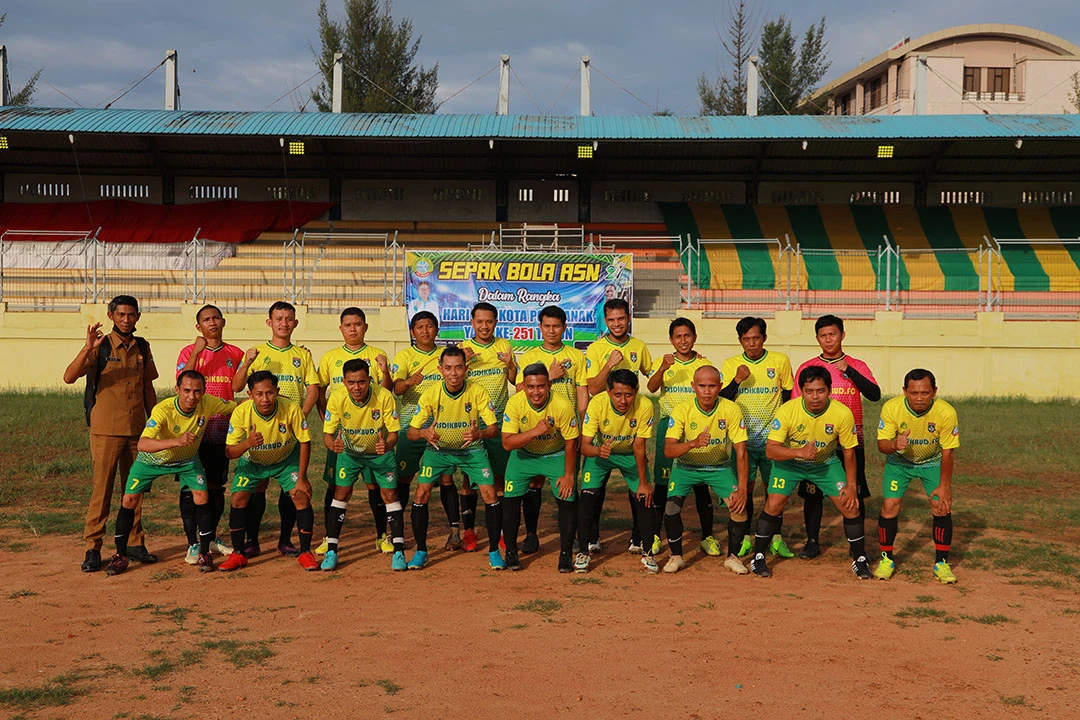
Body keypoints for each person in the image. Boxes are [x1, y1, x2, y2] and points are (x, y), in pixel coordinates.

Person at [104, 371, 237, 575]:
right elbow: (143, 444)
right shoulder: (163, 410)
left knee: (202, 496)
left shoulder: (208, 403)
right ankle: (120, 556)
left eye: (197, 391)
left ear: (204, 391)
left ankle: (204, 553)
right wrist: (177, 442)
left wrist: (263, 399)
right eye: (186, 391)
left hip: (187, 460)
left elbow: (236, 406)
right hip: (152, 460)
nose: (192, 396)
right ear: (177, 390)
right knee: (129, 500)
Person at [63, 295, 159, 573]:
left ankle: (134, 542)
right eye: (121, 315)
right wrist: (87, 349)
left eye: (131, 315)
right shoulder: (100, 345)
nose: (126, 320)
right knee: (102, 490)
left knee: (135, 489)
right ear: (111, 316)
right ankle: (93, 547)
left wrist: (156, 423)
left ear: (138, 316)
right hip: (106, 431)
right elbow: (69, 377)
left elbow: (148, 387)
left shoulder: (143, 346)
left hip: (137, 431)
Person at [751, 366, 871, 579]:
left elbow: (849, 453)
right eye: (809, 391)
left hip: (825, 464)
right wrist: (799, 452)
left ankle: (860, 560)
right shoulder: (787, 411)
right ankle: (758, 557)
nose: (815, 397)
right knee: (773, 504)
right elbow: (771, 450)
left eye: (820, 391)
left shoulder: (842, 413)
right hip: (790, 464)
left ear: (829, 390)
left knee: (850, 506)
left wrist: (852, 486)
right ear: (801, 391)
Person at [232, 301, 319, 558]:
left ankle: (285, 540)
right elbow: (237, 387)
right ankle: (252, 540)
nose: (284, 323)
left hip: (289, 430)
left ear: (295, 323)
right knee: (258, 487)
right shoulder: (257, 352)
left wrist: (300, 416)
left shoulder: (302, 355)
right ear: (269, 322)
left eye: (288, 319)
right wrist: (246, 364)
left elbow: (312, 388)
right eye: (279, 318)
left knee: (290, 488)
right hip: (261, 429)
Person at [405, 347, 503, 570]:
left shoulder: (477, 391)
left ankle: (494, 551)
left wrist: (480, 434)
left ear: (466, 369)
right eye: (448, 368)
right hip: (438, 451)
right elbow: (411, 433)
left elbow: (493, 429)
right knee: (421, 493)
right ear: (440, 369)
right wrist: (424, 433)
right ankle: (421, 551)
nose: (453, 373)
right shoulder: (431, 393)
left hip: (472, 450)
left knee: (490, 493)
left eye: (458, 368)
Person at [792, 315, 880, 560]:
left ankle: (856, 546)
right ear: (817, 338)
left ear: (842, 335)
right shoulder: (808, 368)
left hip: (851, 440)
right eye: (823, 335)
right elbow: (796, 404)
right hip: (816, 442)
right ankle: (812, 542)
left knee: (855, 492)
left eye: (832, 334)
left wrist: (848, 371)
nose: (828, 339)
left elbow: (874, 394)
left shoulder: (857, 364)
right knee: (813, 493)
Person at [314, 307, 393, 557]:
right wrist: (327, 421)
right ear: (341, 328)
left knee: (374, 486)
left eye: (357, 324)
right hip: (342, 434)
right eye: (348, 325)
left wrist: (385, 372)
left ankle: (382, 535)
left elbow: (386, 391)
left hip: (371, 433)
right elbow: (320, 390)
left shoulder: (377, 354)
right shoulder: (330, 357)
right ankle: (329, 536)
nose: (353, 329)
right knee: (336, 486)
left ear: (365, 327)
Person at [219, 371, 316, 572]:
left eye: (270, 393)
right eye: (259, 394)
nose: (265, 399)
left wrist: (302, 478)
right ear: (250, 394)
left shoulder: (291, 408)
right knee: (238, 498)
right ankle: (238, 554)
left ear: (277, 391)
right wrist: (247, 443)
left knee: (300, 495)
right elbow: (229, 452)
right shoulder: (241, 412)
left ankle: (306, 553)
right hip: (252, 462)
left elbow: (305, 442)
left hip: (285, 460)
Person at [514, 305, 588, 555]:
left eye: (556, 326)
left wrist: (581, 423)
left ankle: (571, 535)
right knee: (534, 482)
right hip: (536, 429)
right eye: (547, 326)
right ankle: (531, 534)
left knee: (568, 482)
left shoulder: (576, 356)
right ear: (540, 327)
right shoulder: (529, 357)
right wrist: (550, 376)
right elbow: (520, 391)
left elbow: (581, 390)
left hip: (566, 431)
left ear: (564, 327)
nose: (551, 330)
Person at [718, 317, 795, 559]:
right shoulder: (731, 364)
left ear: (764, 338)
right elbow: (722, 400)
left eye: (756, 338)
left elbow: (788, 397)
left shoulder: (779, 361)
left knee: (775, 491)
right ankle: (744, 539)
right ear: (740, 341)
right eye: (746, 339)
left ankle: (776, 538)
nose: (751, 343)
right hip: (743, 442)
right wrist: (736, 380)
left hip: (773, 443)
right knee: (745, 490)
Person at [662, 366, 750, 575]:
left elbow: (741, 451)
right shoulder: (682, 410)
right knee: (671, 509)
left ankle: (733, 557)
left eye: (712, 386)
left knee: (739, 509)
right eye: (702, 386)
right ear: (693, 386)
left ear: (720, 386)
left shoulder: (730, 408)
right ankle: (676, 556)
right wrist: (693, 443)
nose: (707, 391)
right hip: (685, 467)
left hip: (719, 467)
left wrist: (742, 488)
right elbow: (668, 450)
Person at [874, 369, 959, 584]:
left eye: (925, 393)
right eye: (914, 393)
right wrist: (894, 444)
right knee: (889, 506)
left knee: (941, 505)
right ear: (905, 391)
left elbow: (948, 452)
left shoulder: (946, 412)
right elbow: (882, 445)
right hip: (899, 462)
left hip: (932, 462)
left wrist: (944, 487)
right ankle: (886, 559)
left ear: (934, 392)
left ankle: (941, 563)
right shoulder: (892, 408)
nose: (919, 398)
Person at [175, 304, 245, 564]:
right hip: (193, 431)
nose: (212, 322)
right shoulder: (188, 352)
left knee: (216, 487)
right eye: (206, 319)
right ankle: (192, 543)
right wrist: (197, 351)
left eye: (216, 318)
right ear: (199, 326)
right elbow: (183, 379)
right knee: (190, 487)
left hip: (221, 429)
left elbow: (241, 383)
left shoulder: (235, 353)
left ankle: (211, 537)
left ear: (223, 322)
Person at [321, 359, 405, 572]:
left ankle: (399, 551)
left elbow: (394, 433)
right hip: (350, 455)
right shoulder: (337, 398)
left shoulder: (384, 396)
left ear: (369, 380)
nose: (356, 387)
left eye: (361, 382)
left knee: (390, 495)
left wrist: (387, 445)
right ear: (343, 381)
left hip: (380, 455)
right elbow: (327, 436)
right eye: (351, 382)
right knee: (341, 493)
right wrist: (333, 445)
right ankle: (331, 551)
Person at [584, 298, 653, 553]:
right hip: (604, 428)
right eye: (611, 320)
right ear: (605, 321)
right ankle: (592, 537)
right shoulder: (596, 349)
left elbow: (653, 377)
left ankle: (637, 538)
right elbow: (593, 388)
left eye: (621, 318)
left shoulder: (639, 346)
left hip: (631, 422)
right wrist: (609, 364)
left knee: (637, 488)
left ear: (629, 318)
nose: (616, 324)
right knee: (595, 489)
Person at [646, 317, 717, 558]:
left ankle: (707, 536)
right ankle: (656, 535)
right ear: (671, 340)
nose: (683, 340)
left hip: (697, 426)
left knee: (700, 483)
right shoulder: (663, 362)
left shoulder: (704, 363)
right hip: (669, 427)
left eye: (687, 335)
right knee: (663, 483)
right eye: (678, 336)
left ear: (694, 337)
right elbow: (652, 387)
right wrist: (663, 368)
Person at [576, 369, 656, 574]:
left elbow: (639, 446)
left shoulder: (645, 405)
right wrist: (598, 450)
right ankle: (583, 551)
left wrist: (644, 483)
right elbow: (584, 446)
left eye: (628, 394)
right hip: (601, 454)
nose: (623, 400)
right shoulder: (597, 403)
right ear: (608, 391)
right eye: (618, 394)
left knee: (645, 497)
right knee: (587, 497)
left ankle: (648, 553)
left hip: (630, 454)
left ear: (636, 391)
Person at [501, 363, 580, 572]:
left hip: (555, 454)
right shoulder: (515, 403)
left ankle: (565, 554)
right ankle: (511, 552)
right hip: (524, 455)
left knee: (567, 496)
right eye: (531, 387)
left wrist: (569, 475)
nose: (536, 392)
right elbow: (507, 443)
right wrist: (534, 432)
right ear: (524, 386)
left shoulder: (562, 405)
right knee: (510, 500)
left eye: (541, 386)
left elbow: (571, 442)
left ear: (549, 385)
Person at [455, 302, 516, 552]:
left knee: (499, 479)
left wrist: (511, 365)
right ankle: (469, 531)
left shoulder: (504, 345)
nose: (484, 326)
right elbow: (454, 381)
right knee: (469, 480)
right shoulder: (462, 349)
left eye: (489, 321)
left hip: (498, 424)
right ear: (472, 323)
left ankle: (500, 531)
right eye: (479, 321)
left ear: (495, 322)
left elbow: (514, 379)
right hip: (471, 424)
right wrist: (464, 363)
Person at [391, 311, 443, 539]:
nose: (425, 331)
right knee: (404, 477)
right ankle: (396, 530)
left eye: (429, 326)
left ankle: (454, 530)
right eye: (420, 327)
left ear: (437, 330)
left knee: (447, 478)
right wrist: (409, 381)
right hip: (410, 426)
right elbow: (397, 389)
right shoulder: (405, 356)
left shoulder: (445, 356)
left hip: (441, 427)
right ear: (412, 332)